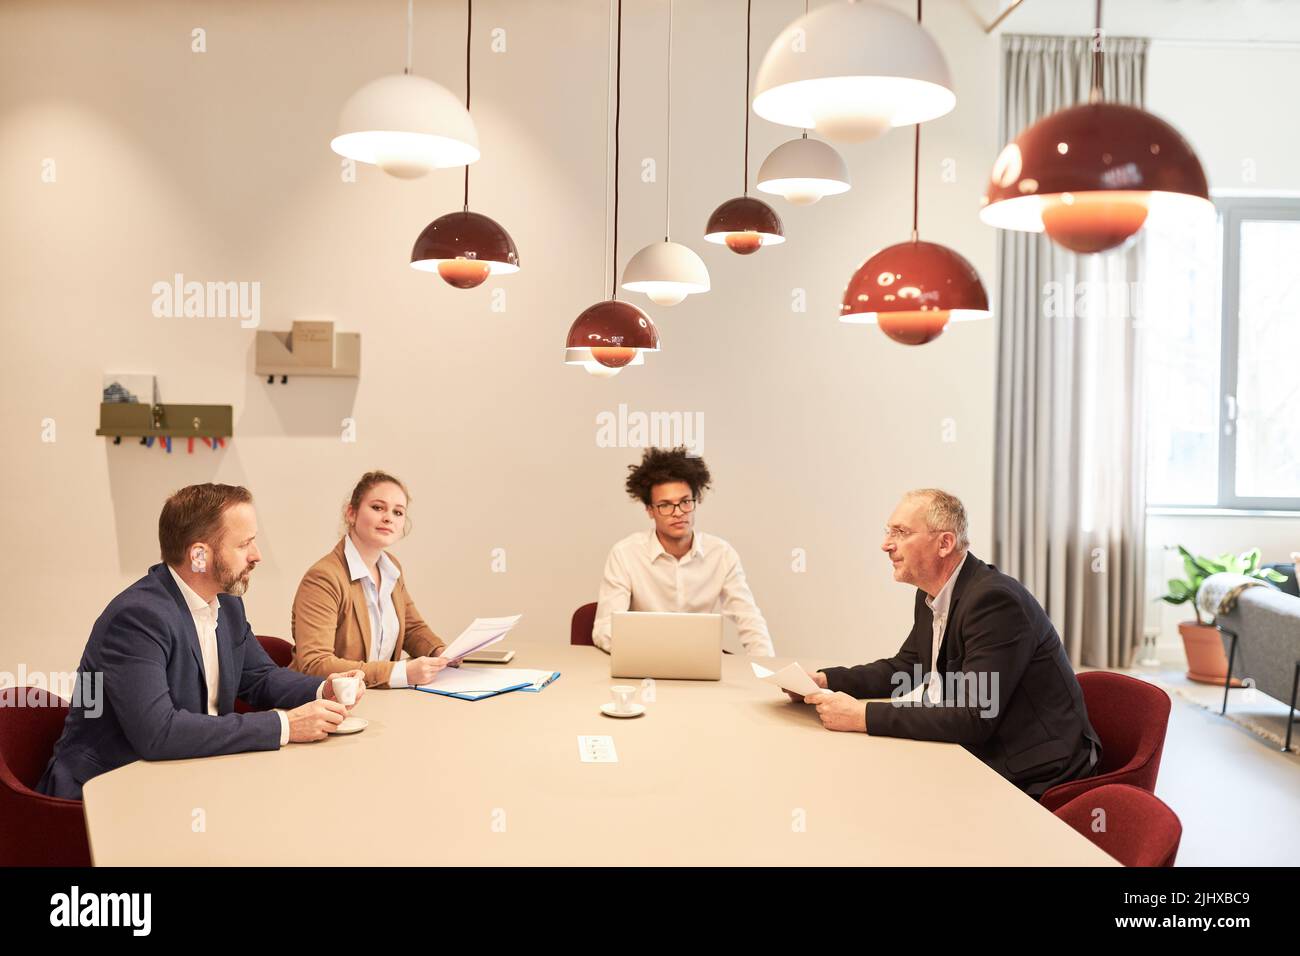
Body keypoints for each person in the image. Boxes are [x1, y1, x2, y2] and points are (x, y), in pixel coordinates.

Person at [37, 484, 361, 800]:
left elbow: (260, 676)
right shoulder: (137, 618)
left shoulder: (227, 603)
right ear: (199, 556)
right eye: (244, 544)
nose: (257, 556)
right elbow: (158, 733)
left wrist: (322, 689)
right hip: (106, 797)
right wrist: (284, 725)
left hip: (189, 777)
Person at [792, 488, 1100, 798]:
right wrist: (824, 680)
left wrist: (862, 716)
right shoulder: (932, 594)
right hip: (975, 749)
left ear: (944, 543)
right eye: (889, 531)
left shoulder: (994, 602)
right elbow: (906, 668)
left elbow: (974, 716)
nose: (886, 544)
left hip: (1036, 770)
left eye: (901, 532)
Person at [592, 446, 774, 656]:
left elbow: (749, 619)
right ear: (650, 510)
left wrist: (768, 673)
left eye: (685, 502)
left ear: (695, 501)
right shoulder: (625, 554)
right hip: (645, 663)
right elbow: (605, 628)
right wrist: (647, 652)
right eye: (665, 505)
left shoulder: (721, 554)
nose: (678, 513)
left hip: (700, 662)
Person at [291, 471, 451, 688]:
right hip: (327, 704)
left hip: (378, 698)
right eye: (377, 508)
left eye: (398, 512)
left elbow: (412, 629)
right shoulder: (323, 578)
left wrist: (441, 652)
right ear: (351, 513)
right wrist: (401, 672)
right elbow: (315, 664)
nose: (388, 518)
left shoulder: (392, 568)